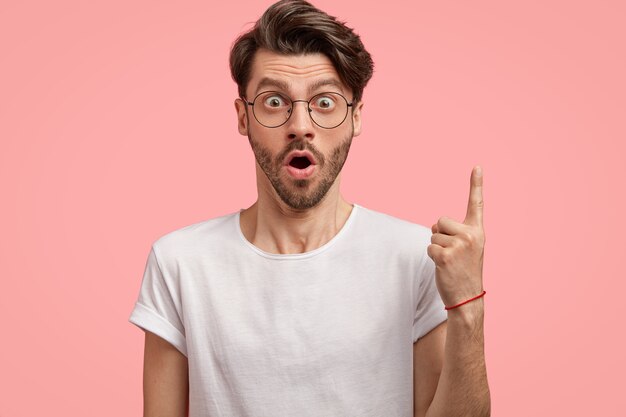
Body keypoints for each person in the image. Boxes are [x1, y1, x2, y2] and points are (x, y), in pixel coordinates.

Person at [128, 0, 491, 416]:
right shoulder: (180, 263)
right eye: (273, 101)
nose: (300, 126)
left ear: (355, 117)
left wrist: (468, 306)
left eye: (324, 103)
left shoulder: (417, 258)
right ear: (243, 117)